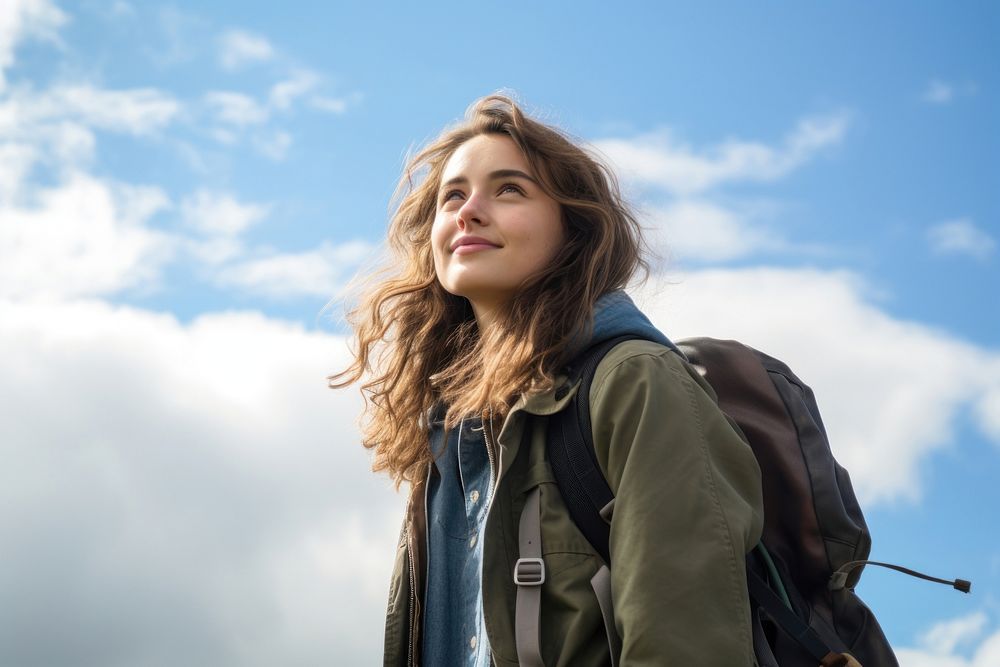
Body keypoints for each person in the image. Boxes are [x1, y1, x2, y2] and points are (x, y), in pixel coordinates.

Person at [329, 93, 765, 666]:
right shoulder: (446, 441)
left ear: (575, 230)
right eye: (452, 196)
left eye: (509, 189)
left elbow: (687, 643)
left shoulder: (634, 381)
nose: (469, 211)